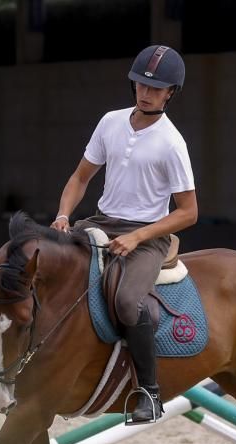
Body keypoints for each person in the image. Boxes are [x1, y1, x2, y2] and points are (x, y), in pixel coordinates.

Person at [51, 44, 198, 424]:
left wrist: (137, 238)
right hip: (101, 220)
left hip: (148, 235)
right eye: (140, 85)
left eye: (155, 88)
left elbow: (189, 212)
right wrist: (64, 215)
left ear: (170, 93)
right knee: (48, 259)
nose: (146, 92)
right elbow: (81, 177)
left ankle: (149, 392)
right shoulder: (110, 122)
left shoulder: (172, 143)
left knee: (130, 301)